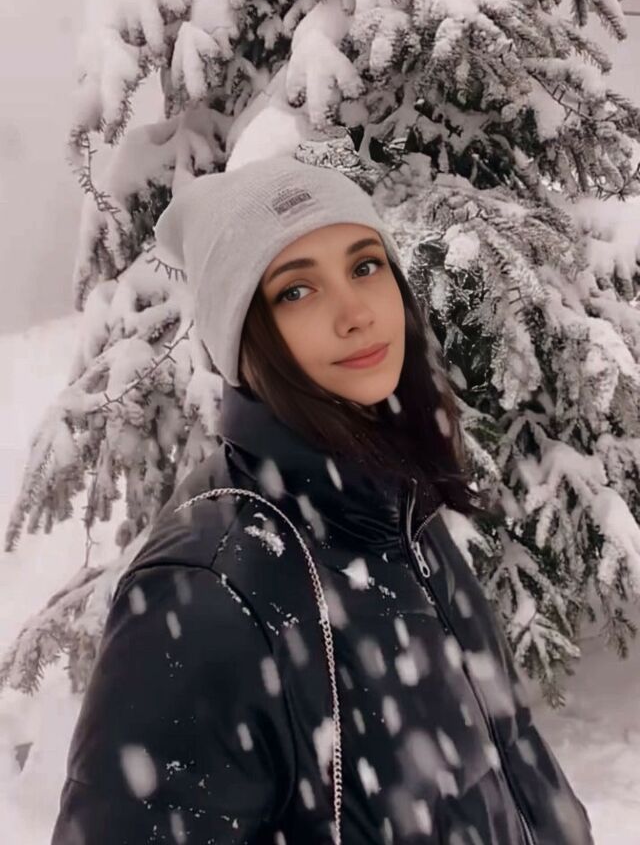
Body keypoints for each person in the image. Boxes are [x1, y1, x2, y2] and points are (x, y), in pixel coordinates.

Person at [50, 156, 594, 844]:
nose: (355, 313)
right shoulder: (208, 590)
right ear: (241, 341)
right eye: (296, 291)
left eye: (365, 266)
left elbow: (508, 758)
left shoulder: (396, 506)